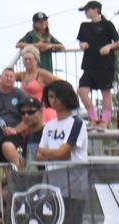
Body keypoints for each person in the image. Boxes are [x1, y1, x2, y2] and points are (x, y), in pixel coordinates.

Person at [34, 81, 88, 222]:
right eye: (50, 96)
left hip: (74, 182)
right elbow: (38, 155)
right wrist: (54, 153)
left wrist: (49, 153)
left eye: (56, 96)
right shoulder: (48, 126)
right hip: (52, 181)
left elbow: (63, 153)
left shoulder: (77, 123)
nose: (53, 100)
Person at [75, 0, 119, 129]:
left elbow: (118, 42)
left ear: (96, 10)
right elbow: (81, 42)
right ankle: (93, 118)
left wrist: (109, 47)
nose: (86, 12)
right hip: (89, 64)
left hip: (105, 64)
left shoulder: (107, 24)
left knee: (105, 92)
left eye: (87, 10)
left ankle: (105, 121)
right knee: (82, 91)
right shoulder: (84, 26)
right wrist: (82, 45)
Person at [0, 68, 27, 168]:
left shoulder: (19, 93)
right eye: (6, 76)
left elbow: (29, 115)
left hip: (15, 134)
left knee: (7, 146)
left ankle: (20, 171)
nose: (9, 78)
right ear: (0, 77)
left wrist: (15, 130)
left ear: (15, 80)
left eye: (12, 77)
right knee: (4, 165)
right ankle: (12, 181)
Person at [14, 45, 60, 123]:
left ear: (36, 60)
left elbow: (61, 83)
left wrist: (53, 99)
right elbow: (5, 76)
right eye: (25, 59)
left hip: (43, 112)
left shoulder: (42, 74)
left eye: (30, 59)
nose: (27, 61)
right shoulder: (22, 75)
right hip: (28, 113)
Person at [15, 96, 46, 165]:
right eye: (22, 113)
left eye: (31, 112)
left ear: (41, 112)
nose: (26, 116)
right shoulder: (28, 137)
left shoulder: (48, 133)